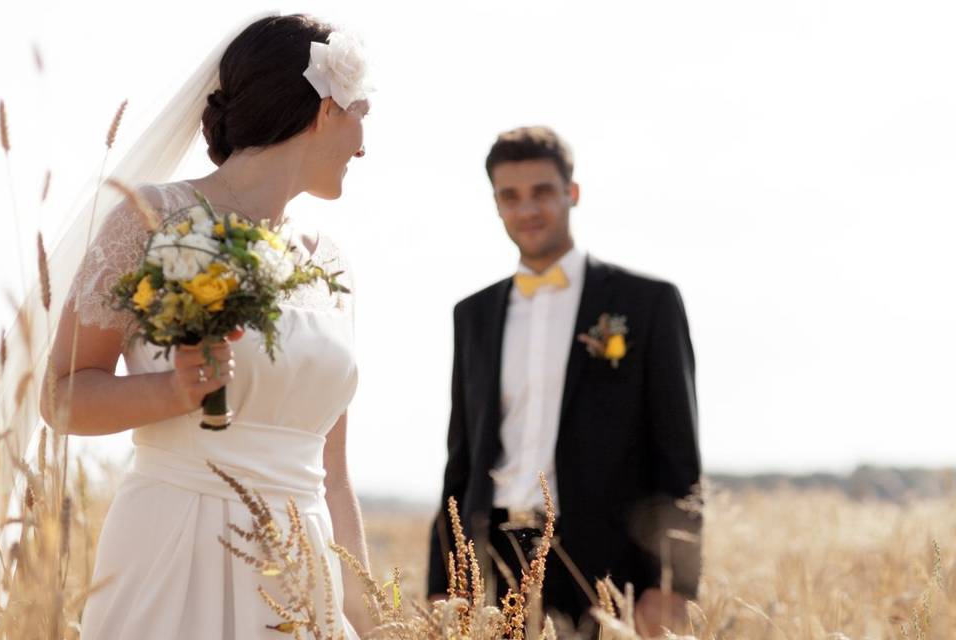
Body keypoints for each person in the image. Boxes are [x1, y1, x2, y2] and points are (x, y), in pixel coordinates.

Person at [37, 14, 372, 639]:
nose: (365, 143)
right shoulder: (152, 220)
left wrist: (370, 619)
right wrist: (173, 392)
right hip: (174, 551)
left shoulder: (331, 263)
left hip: (303, 573)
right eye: (363, 112)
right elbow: (61, 396)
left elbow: (334, 468)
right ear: (325, 109)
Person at [427, 126, 702, 634]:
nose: (527, 209)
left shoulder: (647, 303)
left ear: (571, 194)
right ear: (496, 204)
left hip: (609, 563)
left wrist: (673, 583)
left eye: (542, 192)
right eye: (510, 196)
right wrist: (442, 578)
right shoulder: (473, 315)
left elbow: (678, 455)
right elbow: (460, 459)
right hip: (494, 558)